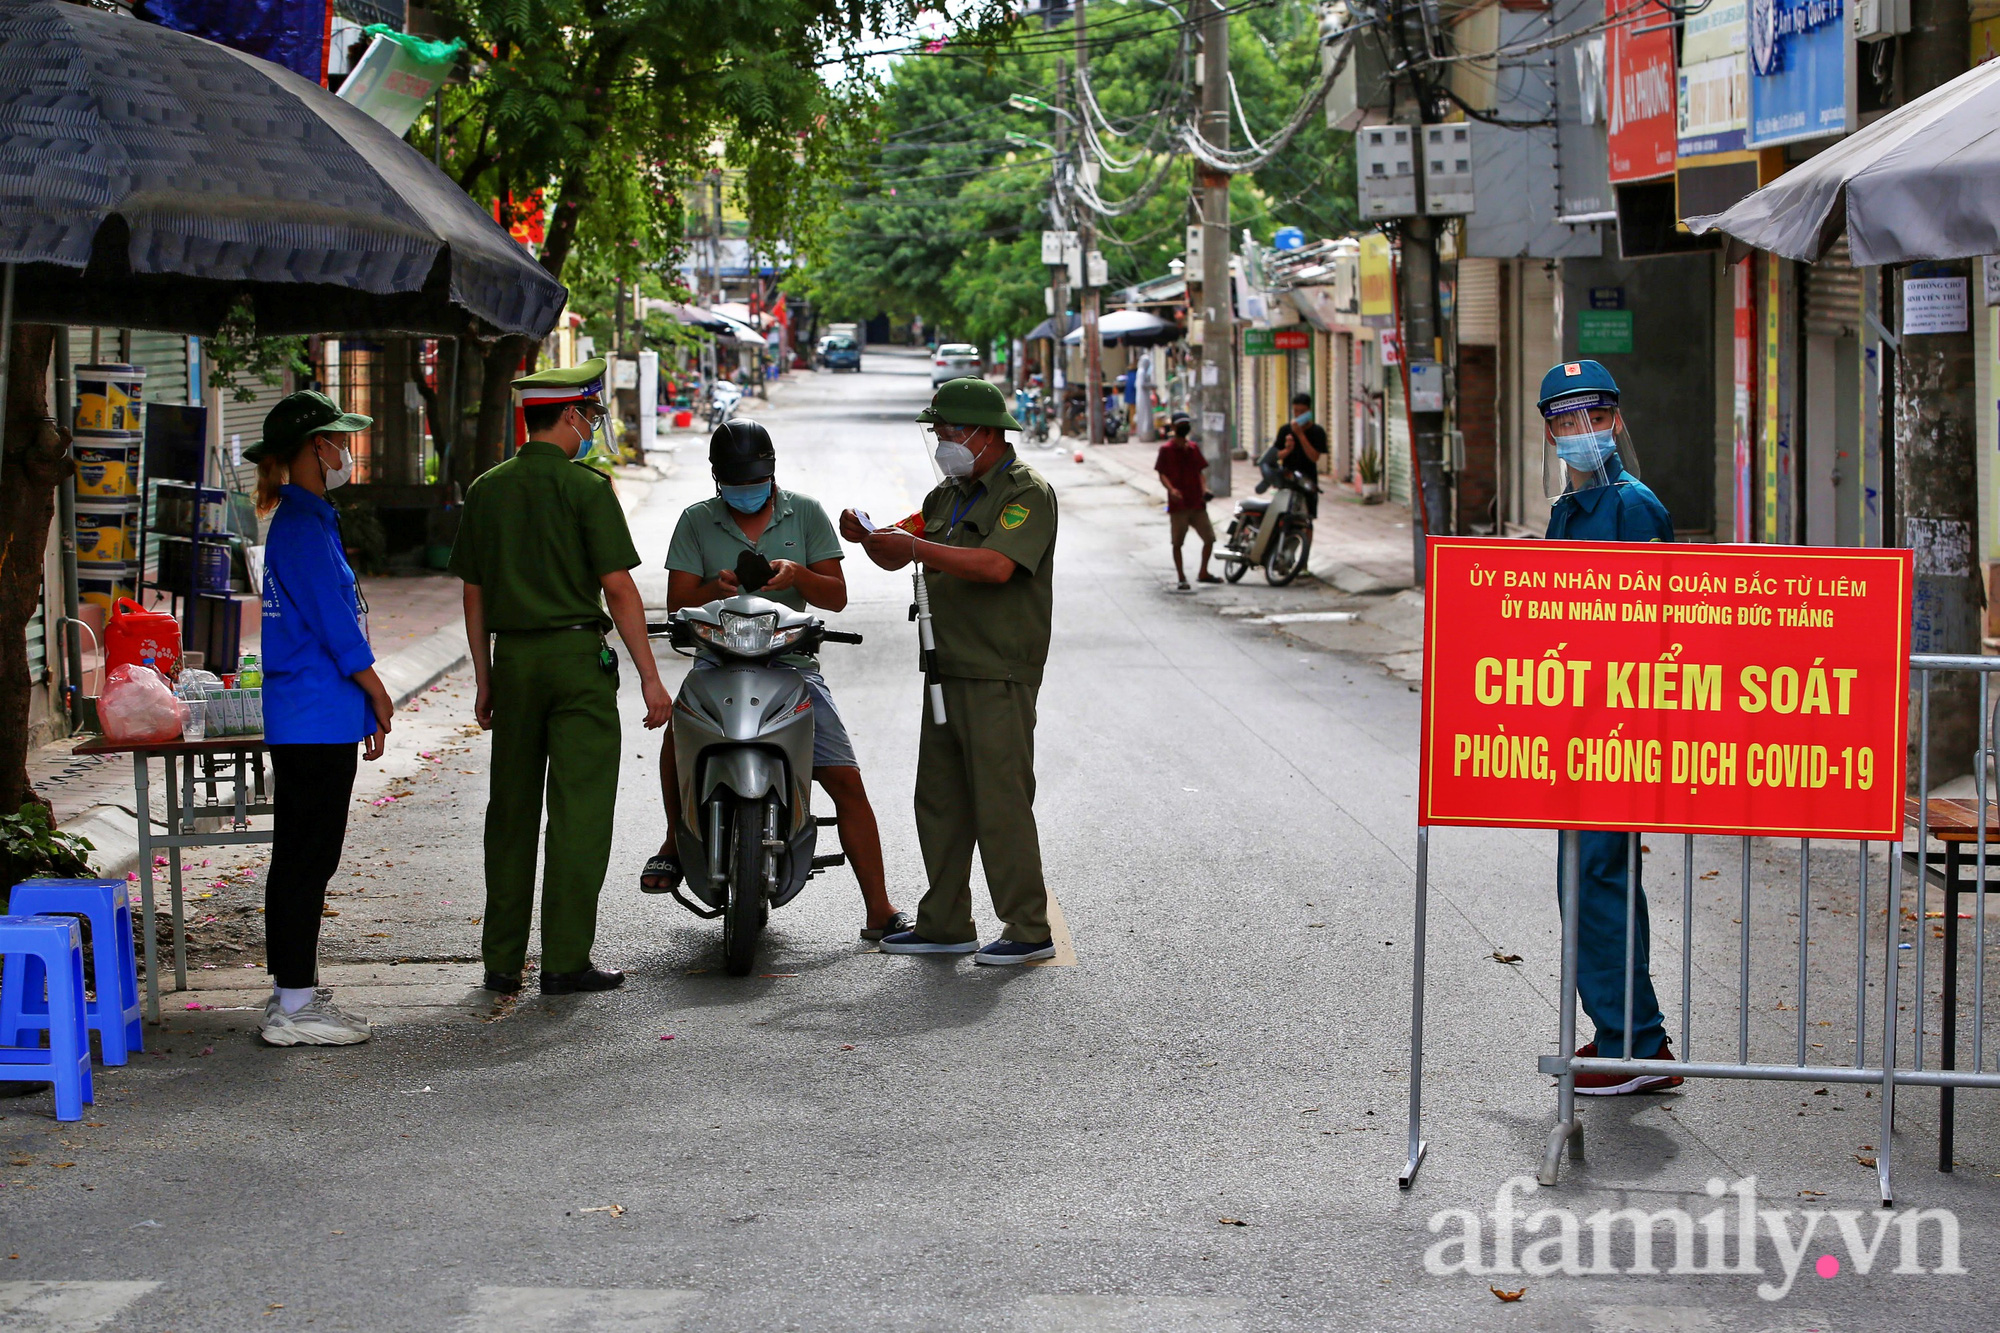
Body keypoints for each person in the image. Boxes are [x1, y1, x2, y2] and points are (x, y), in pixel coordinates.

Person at [448, 358, 672, 996]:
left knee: (511, 811)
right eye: (591, 415)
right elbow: (619, 589)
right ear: (571, 415)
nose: (593, 426)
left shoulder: (488, 489)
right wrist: (651, 678)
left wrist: (485, 677)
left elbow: (474, 594)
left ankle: (500, 960)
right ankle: (566, 960)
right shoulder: (586, 489)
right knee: (578, 813)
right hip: (577, 663)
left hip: (514, 662)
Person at [641, 420, 910, 941]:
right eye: (735, 481)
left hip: (792, 666)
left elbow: (835, 596)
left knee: (845, 781)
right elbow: (678, 603)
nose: (747, 489)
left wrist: (797, 576)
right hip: (716, 663)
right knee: (680, 734)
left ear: (771, 473)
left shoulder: (804, 512)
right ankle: (675, 840)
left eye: (755, 478)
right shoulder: (697, 519)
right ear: (718, 479)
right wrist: (712, 586)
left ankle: (880, 909)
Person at [838, 378, 1058, 965]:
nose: (942, 441)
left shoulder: (1024, 494)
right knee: (939, 800)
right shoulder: (947, 496)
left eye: (951, 431)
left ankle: (1028, 929)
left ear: (987, 433)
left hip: (997, 670)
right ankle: (944, 923)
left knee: (1000, 801)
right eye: (937, 432)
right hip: (946, 667)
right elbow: (898, 547)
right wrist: (867, 535)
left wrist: (912, 549)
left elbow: (993, 565)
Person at [1537, 358, 1682, 1094]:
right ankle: (1625, 1031)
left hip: (1617, 729)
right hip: (1575, 726)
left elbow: (1657, 631)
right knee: (1586, 878)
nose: (1577, 431)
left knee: (1600, 874)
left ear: (1616, 419)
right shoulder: (1571, 508)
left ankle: (1636, 1043)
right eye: (1562, 420)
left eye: (1590, 416)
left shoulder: (1633, 507)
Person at [246, 391, 394, 1046]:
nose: (344, 451)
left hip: (317, 712)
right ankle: (294, 1005)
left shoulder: (310, 517)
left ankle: (293, 992)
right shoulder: (303, 526)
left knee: (306, 855)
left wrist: (360, 702)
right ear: (314, 449)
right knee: (307, 856)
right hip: (312, 716)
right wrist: (378, 691)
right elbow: (337, 628)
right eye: (337, 440)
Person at [1155, 412, 1218, 591]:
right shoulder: (1166, 450)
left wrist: (1204, 489)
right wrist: (1171, 490)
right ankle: (1181, 577)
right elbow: (1162, 473)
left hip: (1197, 503)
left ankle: (1203, 572)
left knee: (1209, 538)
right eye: (1180, 424)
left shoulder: (1193, 448)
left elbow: (1200, 473)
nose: (1184, 428)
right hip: (1179, 505)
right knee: (1177, 543)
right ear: (1173, 427)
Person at [1257, 393, 1326, 518]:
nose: (1298, 415)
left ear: (1309, 412)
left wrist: (1300, 435)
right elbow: (1276, 455)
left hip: (1307, 480)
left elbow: (1314, 457)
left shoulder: (1317, 432)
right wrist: (1288, 449)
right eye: (1296, 411)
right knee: (1283, 515)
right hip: (1288, 479)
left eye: (1302, 411)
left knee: (1307, 518)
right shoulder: (1285, 430)